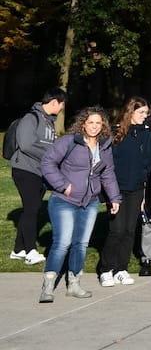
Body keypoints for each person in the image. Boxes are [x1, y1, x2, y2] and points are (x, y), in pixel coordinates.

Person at [38, 106, 122, 303]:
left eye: (98, 123)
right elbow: (47, 163)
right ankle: (48, 286)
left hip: (90, 202)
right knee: (62, 243)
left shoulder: (104, 146)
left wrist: (114, 198)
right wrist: (62, 185)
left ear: (103, 126)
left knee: (81, 244)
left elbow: (108, 173)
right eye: (90, 122)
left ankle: (74, 284)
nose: (94, 126)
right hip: (64, 200)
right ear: (83, 123)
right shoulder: (69, 141)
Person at [97, 98, 151, 287]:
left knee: (130, 230)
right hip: (117, 188)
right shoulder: (116, 133)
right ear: (130, 112)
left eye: (146, 113)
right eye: (141, 113)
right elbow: (107, 164)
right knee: (116, 230)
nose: (144, 116)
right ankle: (106, 269)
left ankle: (121, 268)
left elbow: (149, 163)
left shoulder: (147, 134)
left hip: (137, 189)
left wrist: (145, 191)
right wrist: (108, 193)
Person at [9, 88, 66, 266]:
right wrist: (50, 156)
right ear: (54, 102)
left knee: (32, 208)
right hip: (25, 170)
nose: (63, 108)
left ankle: (18, 249)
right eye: (62, 104)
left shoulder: (49, 122)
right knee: (32, 208)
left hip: (40, 171)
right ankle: (30, 250)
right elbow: (26, 145)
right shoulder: (31, 118)